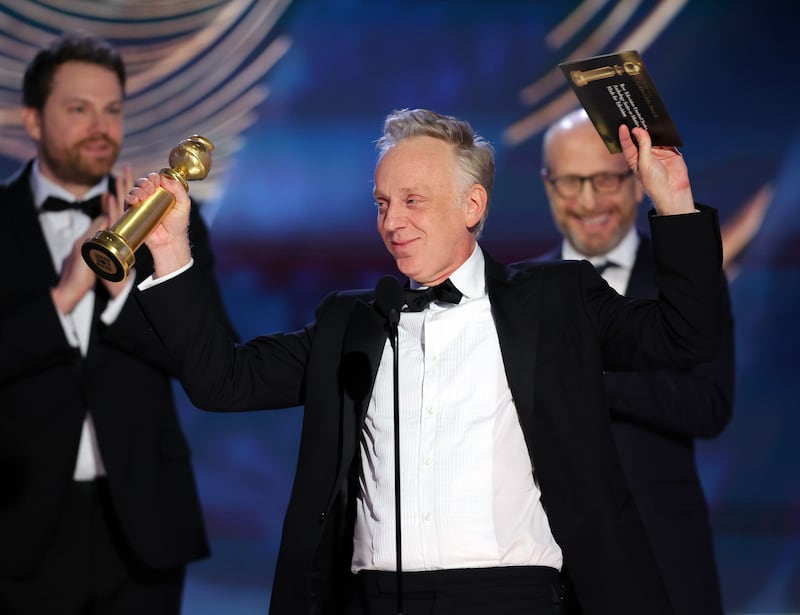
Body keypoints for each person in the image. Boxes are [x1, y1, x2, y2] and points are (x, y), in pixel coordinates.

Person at [131, 108, 725, 615]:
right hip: (375, 598)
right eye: (383, 203)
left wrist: (673, 202)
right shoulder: (351, 322)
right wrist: (170, 249)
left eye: (413, 201)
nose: (391, 222)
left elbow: (684, 337)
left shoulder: (556, 301)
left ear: (472, 205)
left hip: (514, 597)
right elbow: (222, 381)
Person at [0, 32, 237, 614]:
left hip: (143, 525)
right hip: (15, 522)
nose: (100, 126)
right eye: (78, 109)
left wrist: (122, 290)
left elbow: (209, 359)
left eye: (112, 110)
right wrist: (63, 295)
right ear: (32, 119)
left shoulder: (171, 223)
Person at [521, 108, 733, 615]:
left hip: (663, 555)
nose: (589, 201)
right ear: (548, 186)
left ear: (637, 182)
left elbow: (710, 405)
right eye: (572, 182)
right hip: (547, 564)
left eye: (607, 180)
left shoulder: (684, 282)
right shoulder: (520, 293)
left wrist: (587, 375)